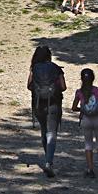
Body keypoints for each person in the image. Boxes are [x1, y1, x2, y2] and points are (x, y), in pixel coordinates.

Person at [27, 45, 66, 178]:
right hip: (53, 103)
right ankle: (49, 162)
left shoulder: (34, 68)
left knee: (44, 131)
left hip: (38, 104)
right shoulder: (55, 68)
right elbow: (63, 87)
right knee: (51, 133)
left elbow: (29, 86)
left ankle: (48, 158)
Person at [72, 67, 98, 178]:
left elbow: (73, 108)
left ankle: (90, 169)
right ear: (93, 78)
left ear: (81, 79)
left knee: (88, 144)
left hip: (86, 119)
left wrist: (82, 109)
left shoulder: (79, 92)